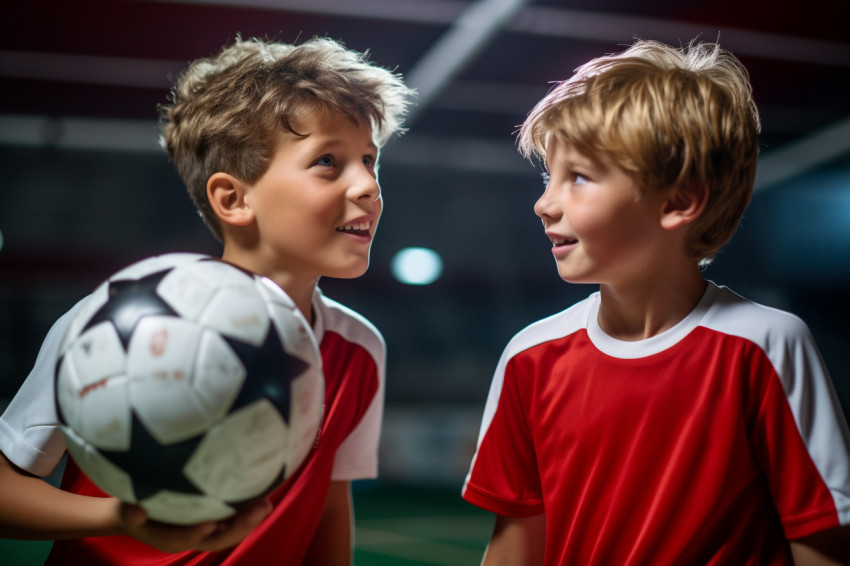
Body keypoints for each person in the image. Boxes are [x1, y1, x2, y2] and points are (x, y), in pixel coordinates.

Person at [0, 35, 413, 565]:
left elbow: (328, 509)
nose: (368, 185)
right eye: (328, 161)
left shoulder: (360, 350)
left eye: (369, 160)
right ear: (233, 199)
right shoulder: (114, 322)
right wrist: (121, 518)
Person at [462, 39, 850, 564]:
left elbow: (821, 542)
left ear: (679, 202)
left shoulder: (766, 346)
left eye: (578, 177)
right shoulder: (529, 357)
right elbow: (515, 544)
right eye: (547, 176)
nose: (544, 203)